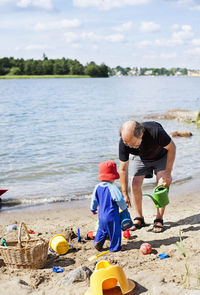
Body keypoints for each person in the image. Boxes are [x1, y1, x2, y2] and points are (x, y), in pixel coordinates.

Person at [119, 120, 176, 233]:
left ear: (140, 134)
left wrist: (168, 173)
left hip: (161, 156)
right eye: (126, 143)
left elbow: (172, 148)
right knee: (134, 183)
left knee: (161, 184)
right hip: (140, 157)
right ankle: (139, 218)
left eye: (132, 142)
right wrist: (124, 193)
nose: (129, 145)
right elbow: (123, 169)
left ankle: (159, 218)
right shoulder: (124, 142)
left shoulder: (156, 131)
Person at [90, 161, 128, 251]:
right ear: (113, 177)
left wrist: (93, 209)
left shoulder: (97, 187)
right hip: (112, 215)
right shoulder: (112, 187)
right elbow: (119, 199)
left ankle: (97, 242)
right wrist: (124, 208)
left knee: (101, 229)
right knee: (115, 231)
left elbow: (94, 200)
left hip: (101, 215)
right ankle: (115, 247)